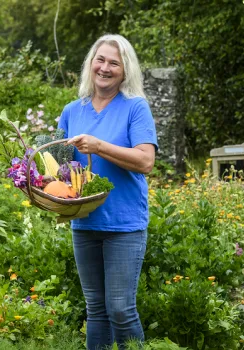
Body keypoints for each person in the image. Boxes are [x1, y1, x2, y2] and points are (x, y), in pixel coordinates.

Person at [58, 34, 158, 349]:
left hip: (124, 224)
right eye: (99, 60)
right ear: (90, 64)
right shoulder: (73, 111)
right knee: (96, 311)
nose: (105, 68)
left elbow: (145, 161)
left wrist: (99, 146)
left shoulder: (135, 108)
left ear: (125, 70)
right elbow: (60, 168)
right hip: (84, 222)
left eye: (113, 63)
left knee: (120, 309)